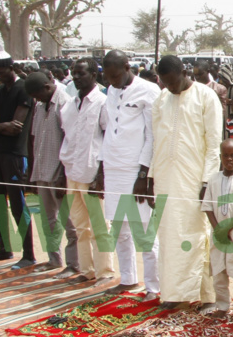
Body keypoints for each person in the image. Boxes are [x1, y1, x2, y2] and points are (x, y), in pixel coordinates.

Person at [150, 55, 223, 309]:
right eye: (165, 83)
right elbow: (156, 141)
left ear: (184, 71)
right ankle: (174, 292)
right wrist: (151, 178)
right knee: (169, 235)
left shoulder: (205, 96)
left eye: (173, 82)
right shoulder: (161, 98)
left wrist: (207, 182)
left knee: (199, 234)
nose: (170, 88)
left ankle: (207, 295)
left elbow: (214, 143)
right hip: (165, 178)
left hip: (195, 179)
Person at [101, 50, 161, 297]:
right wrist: (100, 168)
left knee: (144, 232)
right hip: (112, 168)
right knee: (119, 230)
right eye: (108, 78)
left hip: (135, 170)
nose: (112, 82)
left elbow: (152, 135)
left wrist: (143, 174)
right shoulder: (111, 90)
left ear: (127, 67)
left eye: (115, 76)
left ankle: (154, 286)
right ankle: (127, 279)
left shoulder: (149, 90)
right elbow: (108, 130)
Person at [59, 58, 114, 284]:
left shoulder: (103, 102)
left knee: (99, 226)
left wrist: (100, 177)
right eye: (74, 73)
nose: (76, 77)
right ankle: (87, 270)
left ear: (94, 74)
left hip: (92, 174)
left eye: (81, 73)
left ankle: (105, 272)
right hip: (72, 170)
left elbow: (109, 140)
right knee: (80, 226)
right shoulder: (70, 105)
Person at [0, 51, 35, 267]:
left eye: (1, 72)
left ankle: (29, 254)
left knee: (17, 205)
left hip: (15, 154)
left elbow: (17, 128)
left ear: (10, 68)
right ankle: (4, 249)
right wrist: (3, 126)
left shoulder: (23, 89)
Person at [25, 73, 79, 273]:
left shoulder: (65, 103)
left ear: (47, 87)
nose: (36, 99)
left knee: (69, 222)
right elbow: (33, 140)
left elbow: (70, 141)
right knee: (48, 219)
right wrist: (31, 172)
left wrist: (63, 177)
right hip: (41, 171)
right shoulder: (39, 107)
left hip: (58, 173)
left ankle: (74, 264)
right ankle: (54, 259)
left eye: (37, 94)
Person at [203, 139, 233, 321]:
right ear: (220, 157)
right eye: (226, 155)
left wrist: (227, 229)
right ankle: (222, 306)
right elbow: (207, 205)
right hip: (218, 235)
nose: (229, 159)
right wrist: (218, 229)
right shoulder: (213, 179)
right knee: (219, 272)